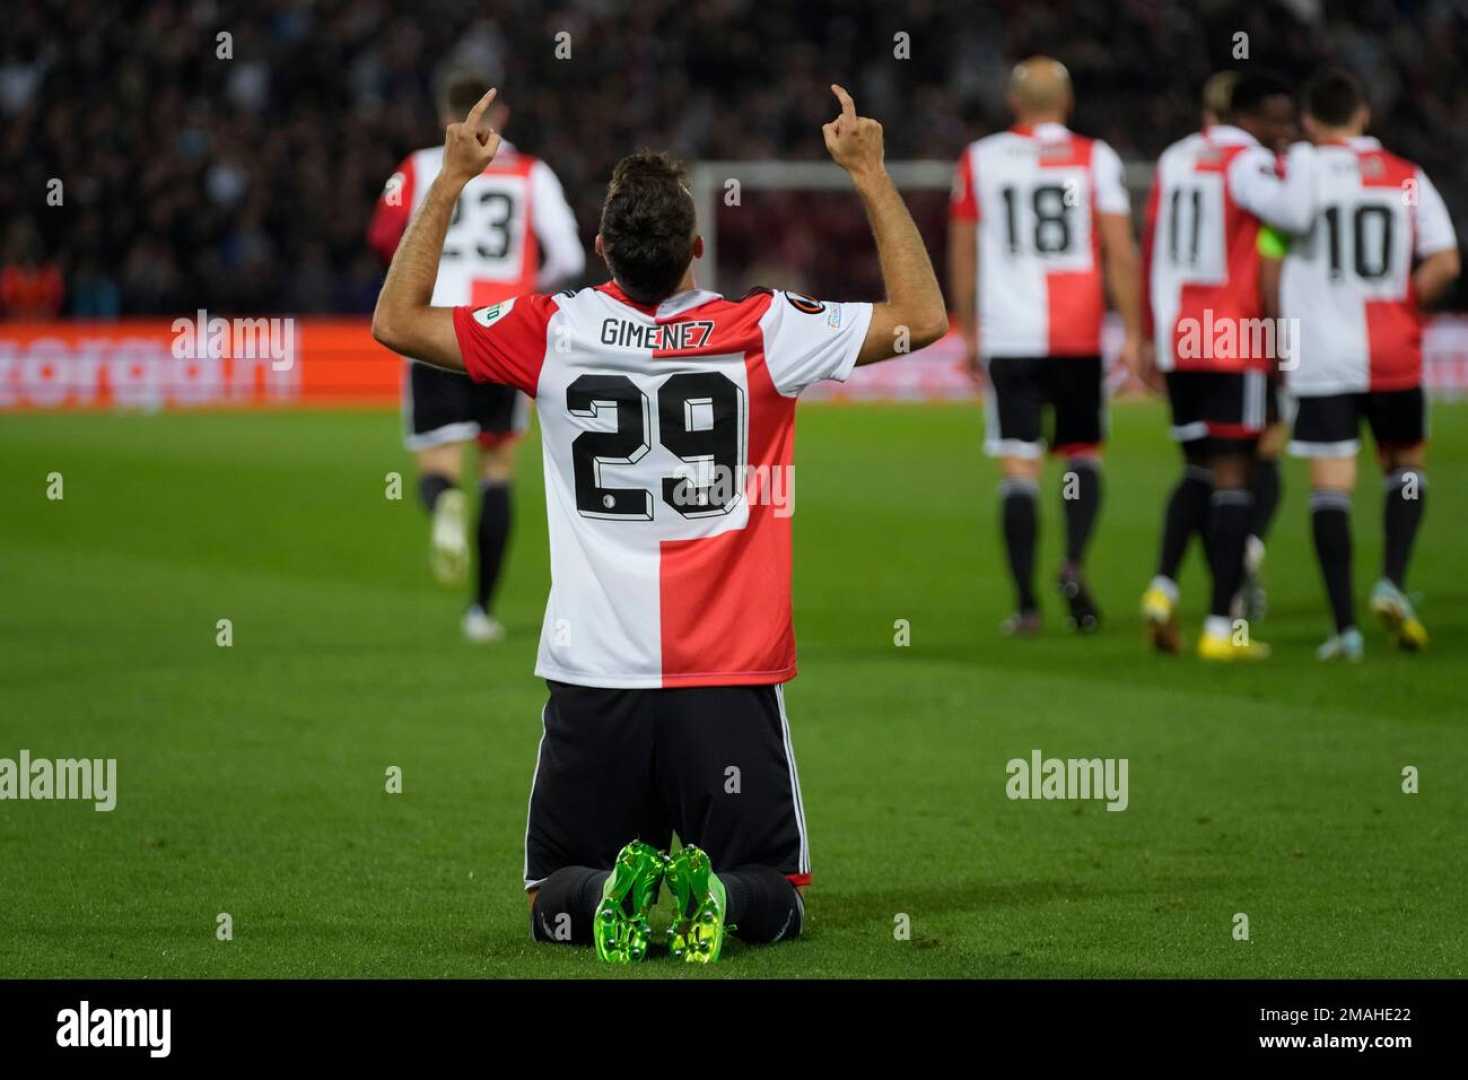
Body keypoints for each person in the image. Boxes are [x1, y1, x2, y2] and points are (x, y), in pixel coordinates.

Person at [370, 85, 946, 962]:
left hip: (596, 677)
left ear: (601, 248)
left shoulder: (553, 329)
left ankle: (608, 893)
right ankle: (716, 893)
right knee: (777, 899)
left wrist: (449, 179)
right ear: (697, 248)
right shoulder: (764, 329)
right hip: (728, 678)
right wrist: (868, 171)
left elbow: (396, 321)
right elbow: (922, 318)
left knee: (550, 898)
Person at [368, 71, 584, 642]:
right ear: (501, 115)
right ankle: (481, 611)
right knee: (497, 472)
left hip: (432, 325)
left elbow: (383, 233)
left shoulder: (414, 168)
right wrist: (522, 291)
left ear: (445, 112)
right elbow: (567, 254)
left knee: (438, 466)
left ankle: (444, 502)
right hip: (503, 332)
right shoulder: (534, 173)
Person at [1263, 70, 1459, 659]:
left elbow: (1270, 252)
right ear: (1363, 114)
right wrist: (1404, 299)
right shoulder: (1405, 178)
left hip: (1322, 352)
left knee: (1331, 487)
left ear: (1308, 121)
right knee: (1406, 466)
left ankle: (1344, 628)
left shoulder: (1297, 172)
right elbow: (1445, 262)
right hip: (1392, 349)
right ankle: (1392, 582)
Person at [949, 57, 1144, 635]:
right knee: (1081, 454)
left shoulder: (979, 158)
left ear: (1013, 103)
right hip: (1077, 332)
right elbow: (1119, 250)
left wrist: (968, 327)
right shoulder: (1096, 157)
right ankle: (1074, 562)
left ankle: (1026, 605)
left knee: (1018, 467)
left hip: (1010, 334)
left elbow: (963, 250)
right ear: (1068, 101)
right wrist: (1134, 333)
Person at [1138, 72, 1317, 660]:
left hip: (1181, 333)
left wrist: (1147, 333)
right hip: (1232, 336)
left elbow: (1152, 247)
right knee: (1238, 474)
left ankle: (1163, 588)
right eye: (1276, 120)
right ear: (1249, 117)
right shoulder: (1249, 161)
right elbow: (1295, 214)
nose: (1283, 131)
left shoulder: (1175, 159)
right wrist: (1303, 157)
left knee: (1196, 468)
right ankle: (1221, 628)